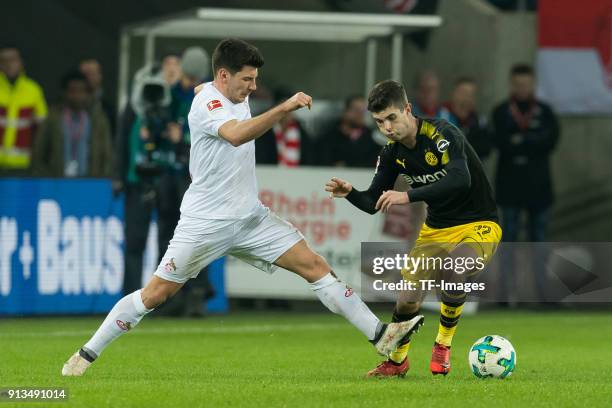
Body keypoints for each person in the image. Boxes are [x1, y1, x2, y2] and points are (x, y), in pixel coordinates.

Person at [62, 38, 423, 377]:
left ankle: (381, 336)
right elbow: (235, 134)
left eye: (255, 79)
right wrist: (284, 107)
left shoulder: (216, 88)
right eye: (247, 79)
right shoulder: (209, 105)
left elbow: (204, 87)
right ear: (224, 75)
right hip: (205, 224)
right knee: (155, 294)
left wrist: (203, 85)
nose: (253, 87)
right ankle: (87, 352)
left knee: (314, 265)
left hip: (250, 219)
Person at [325, 80, 502, 378]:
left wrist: (407, 195)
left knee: (454, 268)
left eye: (392, 118)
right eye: (379, 122)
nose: (387, 128)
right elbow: (373, 201)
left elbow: (461, 178)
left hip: (479, 223)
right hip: (435, 230)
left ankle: (442, 346)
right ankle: (396, 362)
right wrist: (352, 192)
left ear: (407, 109)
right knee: (407, 299)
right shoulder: (392, 153)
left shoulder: (443, 133)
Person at [491, 64, 559, 304]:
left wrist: (520, 140)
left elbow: (549, 141)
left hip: (538, 188)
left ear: (532, 85)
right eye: (518, 84)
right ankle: (505, 295)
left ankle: (543, 295)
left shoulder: (546, 112)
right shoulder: (500, 112)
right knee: (507, 240)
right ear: (512, 84)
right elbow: (500, 142)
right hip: (509, 188)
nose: (522, 88)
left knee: (539, 241)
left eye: (526, 84)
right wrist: (530, 141)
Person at [31, 71, 112, 178]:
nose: (77, 95)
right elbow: (39, 154)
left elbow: (107, 154)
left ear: (87, 94)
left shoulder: (98, 120)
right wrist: (47, 178)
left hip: (90, 183)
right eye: (72, 91)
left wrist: (102, 178)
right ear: (64, 93)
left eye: (81, 91)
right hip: (58, 183)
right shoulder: (52, 119)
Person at [0, 45, 47, 175]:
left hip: (23, 164)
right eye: (4, 60)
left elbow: (42, 128)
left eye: (13, 60)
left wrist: (38, 159)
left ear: (21, 62)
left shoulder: (33, 90)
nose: (9, 64)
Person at [317, 95, 379, 168]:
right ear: (345, 112)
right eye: (356, 110)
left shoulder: (373, 139)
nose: (360, 114)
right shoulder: (327, 138)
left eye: (363, 111)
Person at [445, 77, 491, 159]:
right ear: (453, 94)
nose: (466, 99)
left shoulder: (480, 121)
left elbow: (485, 150)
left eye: (470, 95)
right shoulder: (440, 116)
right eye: (463, 93)